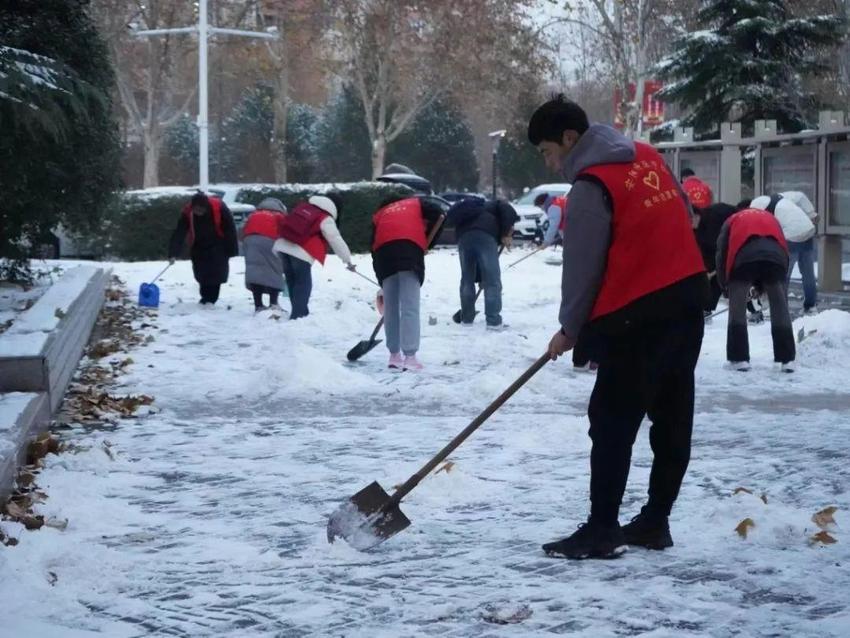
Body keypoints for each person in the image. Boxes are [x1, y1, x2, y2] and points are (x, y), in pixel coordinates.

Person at [529, 95, 707, 560]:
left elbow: (582, 266)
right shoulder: (647, 155)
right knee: (672, 414)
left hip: (637, 314)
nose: (550, 161)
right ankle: (654, 522)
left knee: (611, 420)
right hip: (687, 299)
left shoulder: (591, 185)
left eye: (548, 151)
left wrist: (569, 328)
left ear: (570, 139)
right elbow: (686, 213)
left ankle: (602, 528)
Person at [716, 208, 795, 372]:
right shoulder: (771, 218)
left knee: (737, 309)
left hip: (743, 260)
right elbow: (783, 246)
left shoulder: (732, 220)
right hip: (776, 260)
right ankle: (786, 359)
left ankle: (739, 359)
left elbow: (721, 253)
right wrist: (775, 282)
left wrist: (724, 285)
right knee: (780, 308)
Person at [371, 195, 445, 371]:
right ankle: (410, 357)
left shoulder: (380, 214)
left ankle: (394, 355)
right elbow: (439, 213)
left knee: (391, 308)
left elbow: (372, 246)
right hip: (409, 250)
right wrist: (427, 242)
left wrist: (381, 278)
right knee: (409, 306)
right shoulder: (416, 202)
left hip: (384, 256)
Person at [273, 194, 355, 319]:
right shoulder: (324, 217)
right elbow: (335, 239)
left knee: (292, 281)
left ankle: (297, 311)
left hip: (282, 247)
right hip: (300, 252)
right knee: (303, 282)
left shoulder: (303, 207)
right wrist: (347, 259)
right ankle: (299, 315)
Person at [448, 197, 518, 328]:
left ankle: (466, 318)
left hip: (463, 236)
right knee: (492, 281)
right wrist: (505, 234)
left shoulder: (474, 210)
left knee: (467, 279)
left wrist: (480, 277)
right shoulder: (498, 205)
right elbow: (509, 212)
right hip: (485, 235)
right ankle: (493, 321)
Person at [750, 191, 818, 313]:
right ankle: (811, 306)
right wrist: (811, 214)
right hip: (808, 230)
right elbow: (801, 196)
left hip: (791, 236)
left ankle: (781, 308)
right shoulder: (784, 198)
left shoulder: (759, 211)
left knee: (783, 274)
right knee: (808, 273)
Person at [168, 191, 239, 305]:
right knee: (201, 273)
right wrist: (173, 252)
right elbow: (180, 232)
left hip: (218, 244)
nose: (198, 213)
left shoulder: (219, 208)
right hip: (198, 245)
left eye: (201, 210)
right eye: (196, 210)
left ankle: (211, 299)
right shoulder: (188, 212)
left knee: (216, 274)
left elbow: (230, 228)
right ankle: (205, 297)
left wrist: (232, 249)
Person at [241, 197, 287, 313]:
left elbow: (243, 229)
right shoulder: (278, 215)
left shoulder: (254, 214)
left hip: (250, 240)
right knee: (274, 270)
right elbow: (285, 232)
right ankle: (273, 303)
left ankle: (258, 305)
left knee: (255, 271)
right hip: (270, 241)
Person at [692, 202, 738, 316]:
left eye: (691, 219)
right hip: (713, 249)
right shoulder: (696, 229)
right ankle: (705, 307)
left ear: (697, 215)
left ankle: (754, 308)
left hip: (731, 240)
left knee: (722, 277)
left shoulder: (713, 220)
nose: (690, 223)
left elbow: (721, 248)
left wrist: (713, 271)